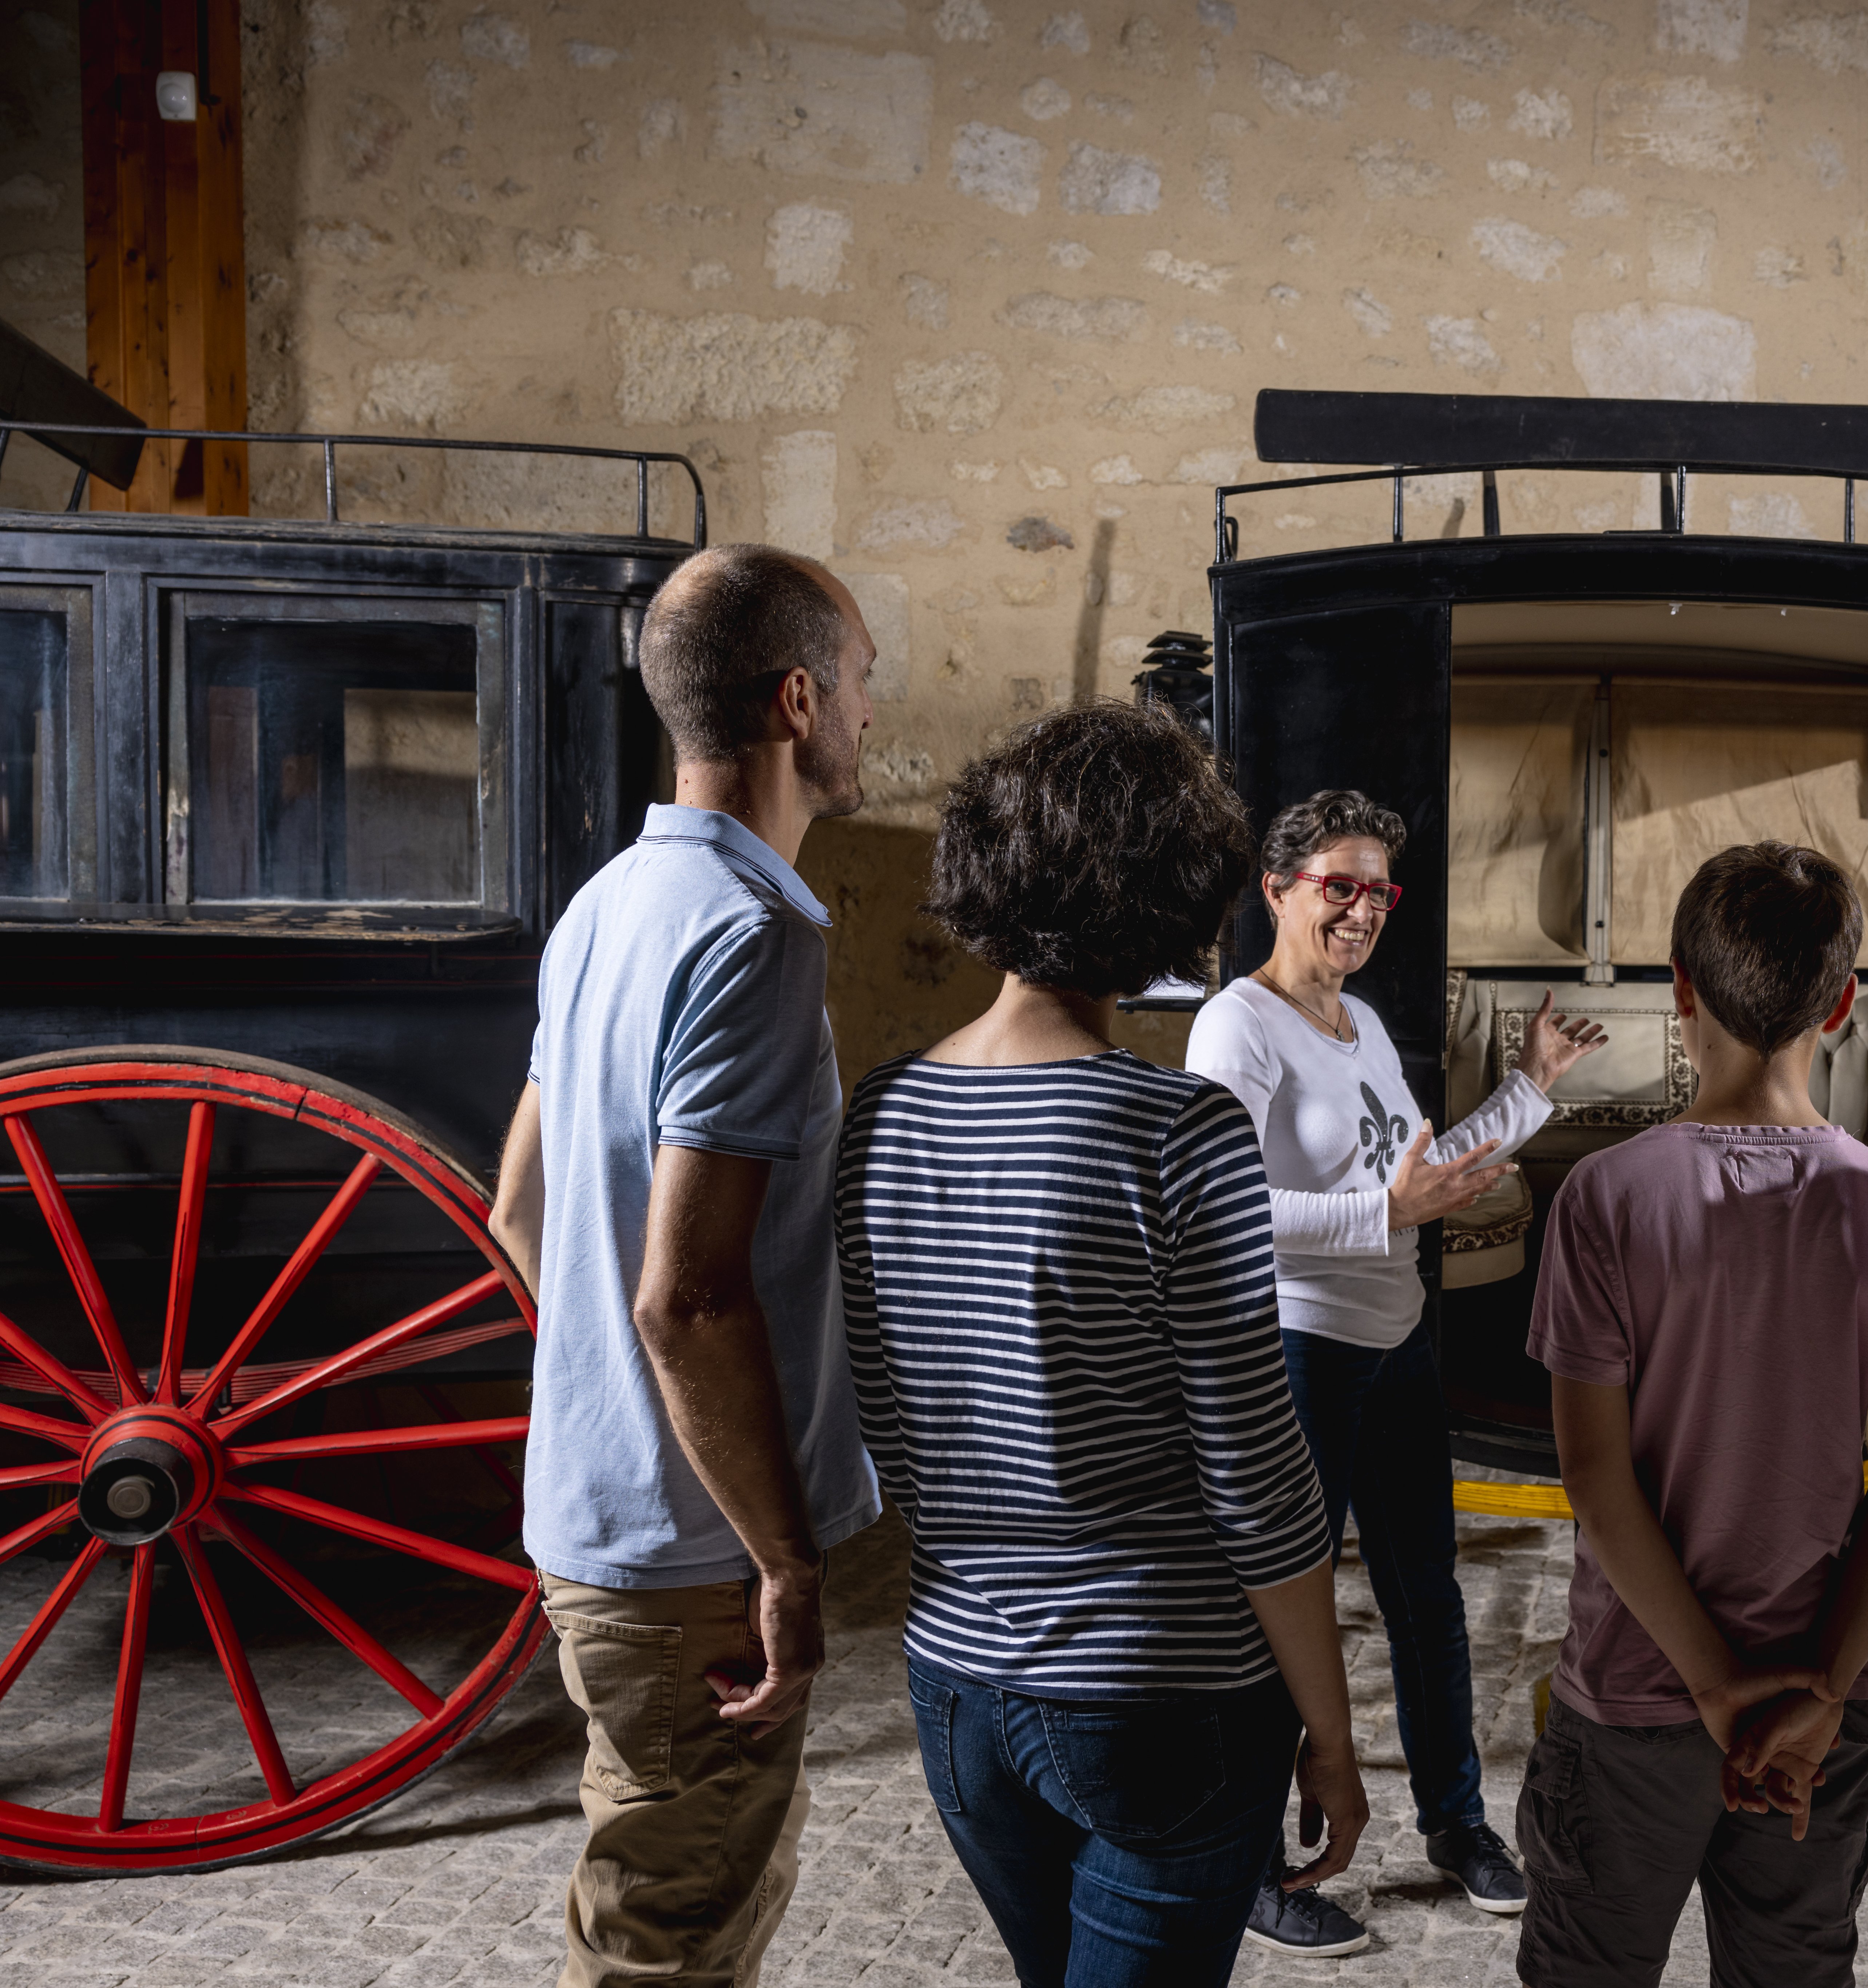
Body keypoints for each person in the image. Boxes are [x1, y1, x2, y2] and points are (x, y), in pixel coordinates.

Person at [837, 701, 1368, 1988]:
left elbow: (891, 1430)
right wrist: (1333, 1734)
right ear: (1174, 897)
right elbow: (1257, 1483)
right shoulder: (1175, 1133)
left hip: (959, 1681)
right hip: (1163, 1696)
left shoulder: (882, 1114)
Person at [487, 542, 884, 1988]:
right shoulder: (755, 931)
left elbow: (520, 1205)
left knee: (649, 1903)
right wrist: (783, 1562)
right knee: (678, 1946)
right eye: (856, 684)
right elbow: (690, 1293)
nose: (864, 717)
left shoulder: (607, 903)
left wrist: (611, 1398)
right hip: (690, 1559)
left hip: (590, 1517)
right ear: (795, 701)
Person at [1516, 842, 1868, 1988]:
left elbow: (1599, 1486)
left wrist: (1713, 1687)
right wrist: (1818, 1688)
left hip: (1632, 1696)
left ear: (1679, 987)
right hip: (1826, 1697)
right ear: (1846, 1003)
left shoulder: (1607, 1201)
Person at [1185, 788, 1607, 1956]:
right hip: (1299, 1353)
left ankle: (1456, 1825)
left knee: (1429, 1600)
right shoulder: (1238, 1026)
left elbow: (1424, 1176)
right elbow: (1222, 1211)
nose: (1363, 910)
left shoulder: (1359, 1024)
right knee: (1288, 1611)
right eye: (1340, 886)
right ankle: (1258, 1870)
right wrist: (1382, 1212)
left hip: (1398, 1344)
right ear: (1277, 890)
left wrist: (1530, 1091)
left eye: (1380, 891)